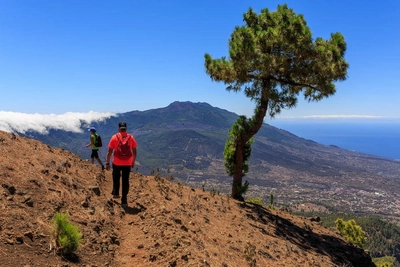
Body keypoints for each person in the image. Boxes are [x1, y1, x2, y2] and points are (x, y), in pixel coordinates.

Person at [105, 121, 137, 207]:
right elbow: (134, 151)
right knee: (125, 180)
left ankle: (116, 193)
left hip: (117, 162)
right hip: (127, 162)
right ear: (126, 128)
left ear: (119, 128)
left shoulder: (114, 137)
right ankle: (124, 201)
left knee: (116, 177)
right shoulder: (131, 137)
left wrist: (107, 163)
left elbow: (110, 152)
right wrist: (133, 162)